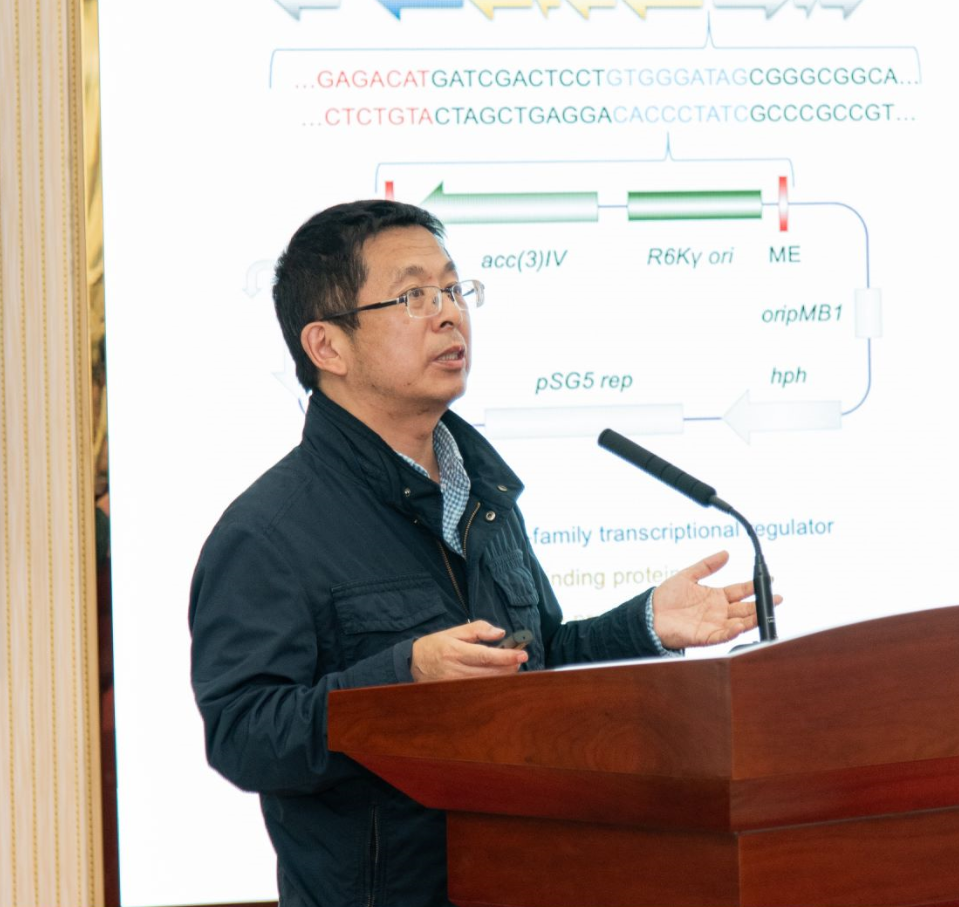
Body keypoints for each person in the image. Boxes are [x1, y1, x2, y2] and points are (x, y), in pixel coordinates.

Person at [189, 199, 767, 907]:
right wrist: (403, 677)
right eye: (413, 296)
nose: (448, 315)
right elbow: (244, 736)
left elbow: (532, 665)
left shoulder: (484, 495)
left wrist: (642, 624)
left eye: (454, 289)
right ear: (327, 347)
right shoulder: (269, 532)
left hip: (526, 883)